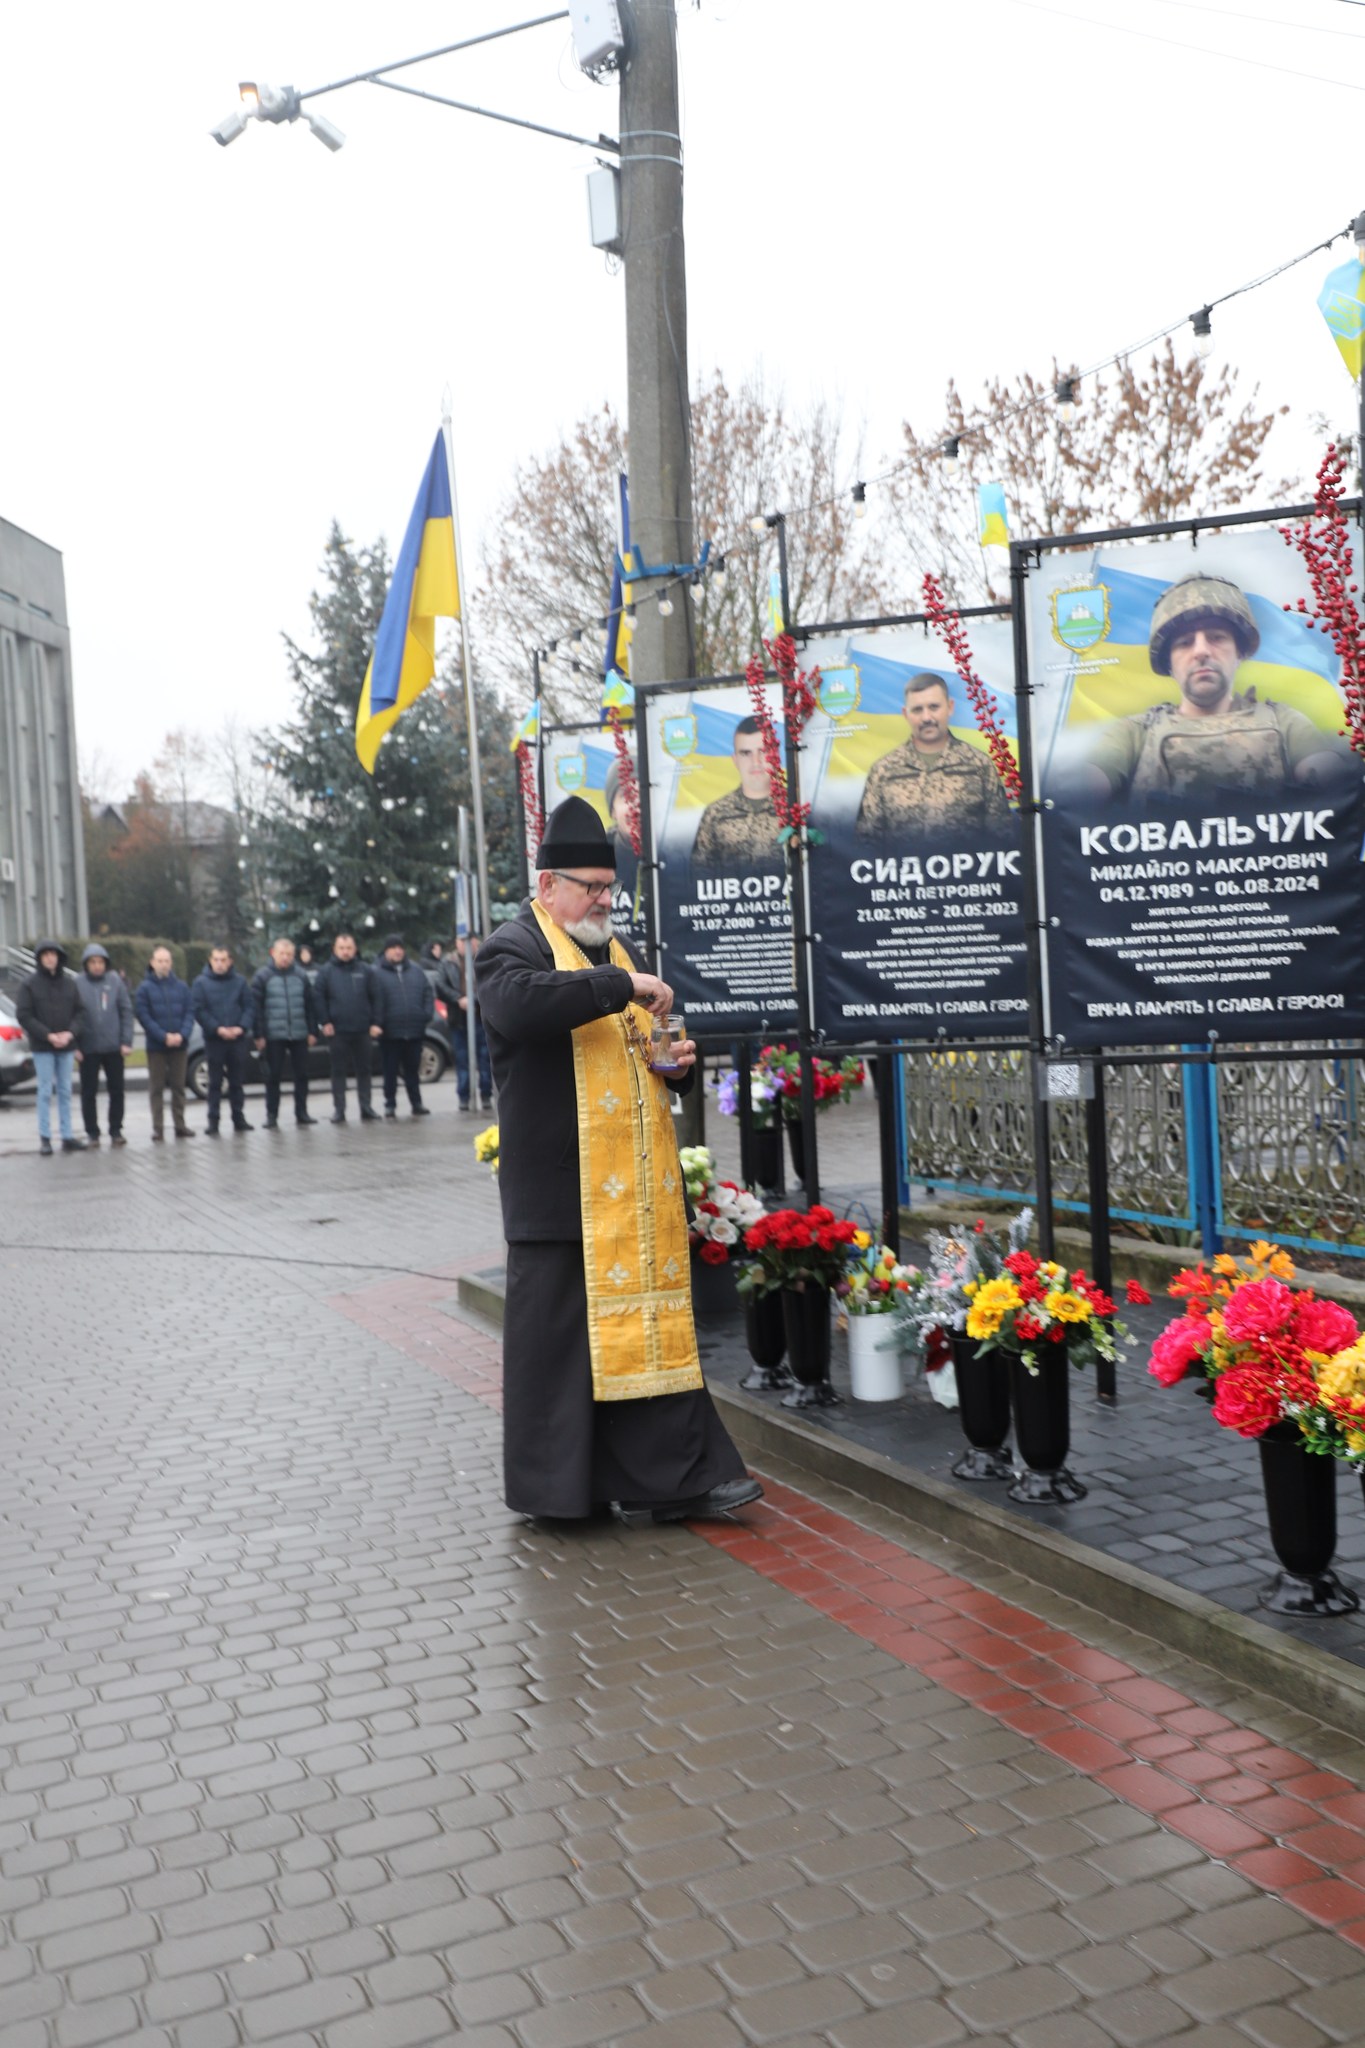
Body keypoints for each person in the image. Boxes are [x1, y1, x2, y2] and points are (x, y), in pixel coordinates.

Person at [477, 793, 762, 1528]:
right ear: (548, 888)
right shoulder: (513, 947)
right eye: (590, 888)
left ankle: (675, 1480)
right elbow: (520, 1007)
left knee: (647, 1336)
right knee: (564, 1357)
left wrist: (679, 1068)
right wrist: (620, 986)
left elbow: (647, 1053)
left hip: (629, 1194)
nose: (605, 900)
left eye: (609, 888)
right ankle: (559, 1494)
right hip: (559, 1195)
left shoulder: (616, 953)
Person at [1073, 575, 1355, 801]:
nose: (1201, 651)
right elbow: (1080, 793)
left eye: (1216, 637)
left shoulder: (1285, 723)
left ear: (1240, 653)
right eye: (1184, 643)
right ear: (1168, 663)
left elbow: (1336, 787)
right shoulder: (1134, 733)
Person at [855, 672, 1014, 840]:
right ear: (905, 714)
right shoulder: (884, 770)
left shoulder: (978, 764)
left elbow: (1002, 835)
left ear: (950, 707)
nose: (926, 717)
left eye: (934, 707)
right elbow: (866, 842)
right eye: (917, 710)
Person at [16, 941, 87, 1155]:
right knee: (45, 1091)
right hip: (43, 1047)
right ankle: (45, 1138)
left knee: (65, 1091)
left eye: (53, 954)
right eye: (45, 954)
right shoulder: (29, 984)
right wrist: (47, 1035)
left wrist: (70, 1033)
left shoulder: (70, 983)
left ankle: (67, 1135)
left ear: (59, 957)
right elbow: (24, 1015)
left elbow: (80, 1013)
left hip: (66, 1045)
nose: (49, 958)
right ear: (39, 958)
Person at [692, 716, 783, 865]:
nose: (756, 762)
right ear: (735, 760)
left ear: (775, 755)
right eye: (746, 753)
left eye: (763, 751)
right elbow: (700, 872)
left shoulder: (794, 808)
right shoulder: (715, 813)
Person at [314, 931, 382, 1124]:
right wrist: (325, 1022)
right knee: (338, 1071)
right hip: (337, 1031)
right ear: (335, 950)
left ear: (355, 949)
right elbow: (318, 998)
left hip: (363, 1030)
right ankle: (339, 1110)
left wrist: (376, 1023)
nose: (345, 952)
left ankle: (366, 1107)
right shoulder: (326, 972)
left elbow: (376, 997)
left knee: (364, 1070)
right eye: (341, 948)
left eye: (349, 948)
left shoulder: (366, 970)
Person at [251, 937, 318, 1129]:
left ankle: (302, 1112)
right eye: (282, 954)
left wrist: (312, 1030)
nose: (285, 958)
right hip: (274, 1036)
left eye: (289, 954)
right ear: (273, 953)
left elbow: (309, 1006)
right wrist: (259, 1034)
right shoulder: (262, 977)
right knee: (273, 1076)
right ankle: (272, 1115)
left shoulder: (301, 976)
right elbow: (257, 1008)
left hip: (299, 1033)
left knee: (302, 1075)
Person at [135, 945, 196, 1142]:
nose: (164, 964)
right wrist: (163, 1036)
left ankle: (180, 1125)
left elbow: (189, 1012)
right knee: (157, 1088)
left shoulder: (181, 987)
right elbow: (144, 1016)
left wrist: (182, 1034)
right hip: (157, 1047)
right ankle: (158, 1128)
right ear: (152, 963)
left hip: (180, 1045)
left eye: (167, 961)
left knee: (179, 1087)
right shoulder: (144, 989)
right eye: (160, 961)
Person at [192, 945, 255, 1135]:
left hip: (237, 1039)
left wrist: (241, 1027)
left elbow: (249, 1007)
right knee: (215, 1082)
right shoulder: (201, 983)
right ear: (210, 961)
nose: (219, 964)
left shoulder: (240, 982)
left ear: (230, 962)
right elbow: (199, 1010)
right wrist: (217, 1028)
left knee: (237, 1082)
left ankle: (238, 1118)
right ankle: (213, 1121)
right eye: (216, 960)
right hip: (215, 1040)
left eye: (223, 960)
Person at [75, 943, 133, 1147]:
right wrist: (75, 1046)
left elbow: (126, 1011)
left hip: (114, 1047)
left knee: (117, 1090)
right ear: (86, 964)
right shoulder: (77, 983)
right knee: (88, 1093)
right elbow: (72, 1015)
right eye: (93, 962)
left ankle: (116, 1129)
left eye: (100, 962)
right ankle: (92, 1132)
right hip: (88, 1048)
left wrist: (126, 1041)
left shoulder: (115, 981)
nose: (97, 966)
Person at [373, 935, 434, 1118]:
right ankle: (390, 1105)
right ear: (386, 951)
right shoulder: (376, 973)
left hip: (414, 1031)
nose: (397, 951)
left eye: (400, 947)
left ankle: (416, 1103)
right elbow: (372, 1000)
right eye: (393, 948)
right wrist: (377, 1022)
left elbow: (427, 993)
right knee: (390, 1072)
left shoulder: (415, 971)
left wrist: (425, 1015)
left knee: (413, 1072)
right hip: (390, 1033)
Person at [436, 936, 492, 1113]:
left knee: (485, 1059)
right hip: (458, 1019)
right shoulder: (448, 962)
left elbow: (490, 982)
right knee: (462, 1060)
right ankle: (464, 1097)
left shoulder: (484, 958)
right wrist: (458, 999)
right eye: (463, 941)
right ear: (457, 943)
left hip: (480, 1017)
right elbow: (440, 985)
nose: (468, 945)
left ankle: (485, 1095)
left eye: (472, 941)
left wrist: (473, 999)